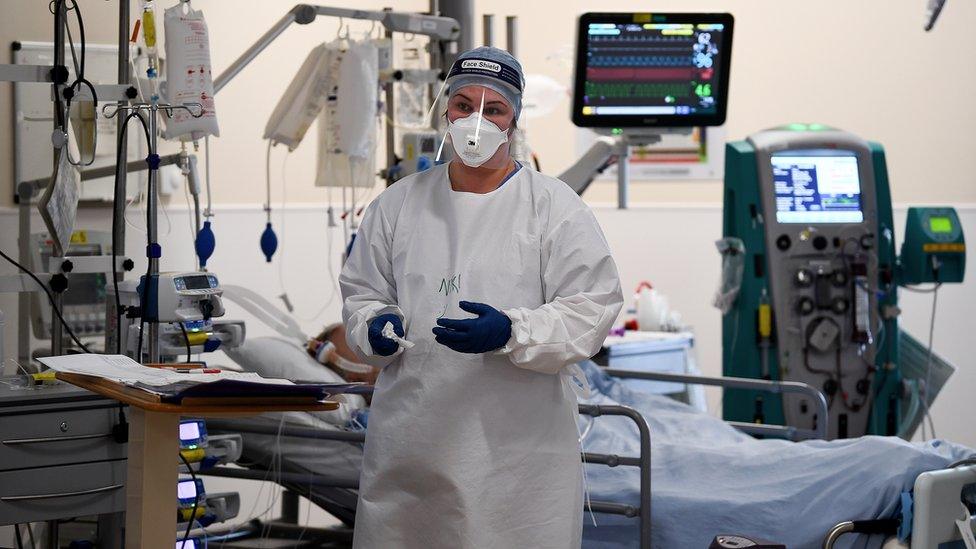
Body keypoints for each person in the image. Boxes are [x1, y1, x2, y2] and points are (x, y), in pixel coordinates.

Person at [339, 46, 623, 548]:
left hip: (515, 452)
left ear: (514, 118)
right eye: (464, 105)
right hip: (414, 441)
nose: (476, 121)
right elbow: (363, 291)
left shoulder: (553, 207)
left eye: (493, 109)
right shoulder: (397, 205)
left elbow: (591, 307)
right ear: (444, 109)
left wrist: (513, 331)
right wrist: (374, 324)